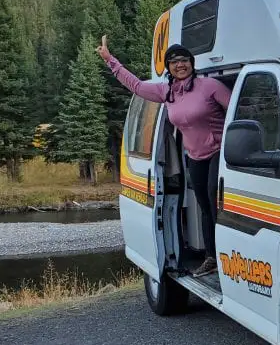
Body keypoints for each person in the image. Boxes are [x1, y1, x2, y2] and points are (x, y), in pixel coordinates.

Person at [97, 35, 230, 278]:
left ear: (192, 63)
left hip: (220, 152)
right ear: (168, 67)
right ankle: (212, 257)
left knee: (213, 200)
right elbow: (136, 86)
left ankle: (228, 258)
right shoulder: (167, 92)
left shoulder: (209, 87)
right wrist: (110, 61)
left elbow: (235, 110)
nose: (180, 65)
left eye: (185, 60)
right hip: (195, 157)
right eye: (174, 61)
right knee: (204, 208)